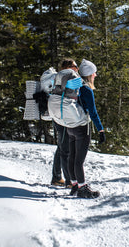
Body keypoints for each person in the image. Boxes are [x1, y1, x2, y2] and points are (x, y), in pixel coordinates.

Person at [68, 59, 106, 198]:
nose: (95, 75)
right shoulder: (86, 89)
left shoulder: (74, 85)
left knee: (71, 157)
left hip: (70, 125)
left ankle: (74, 185)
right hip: (82, 127)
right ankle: (83, 188)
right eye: (94, 73)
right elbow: (93, 112)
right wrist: (100, 130)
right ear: (89, 74)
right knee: (79, 160)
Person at [50, 59, 79, 188]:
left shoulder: (59, 79)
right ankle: (69, 181)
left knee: (62, 147)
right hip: (63, 116)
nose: (77, 69)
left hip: (59, 115)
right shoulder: (66, 78)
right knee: (66, 149)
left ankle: (56, 177)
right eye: (75, 66)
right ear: (68, 67)